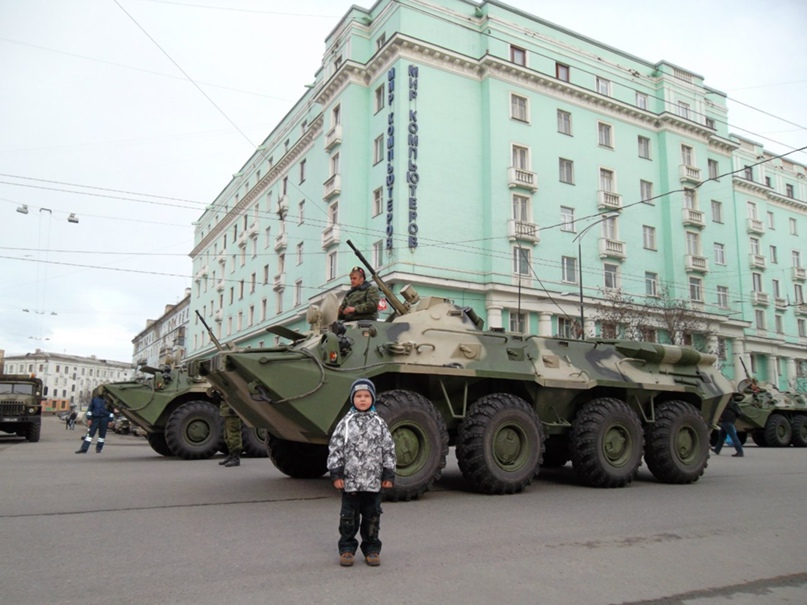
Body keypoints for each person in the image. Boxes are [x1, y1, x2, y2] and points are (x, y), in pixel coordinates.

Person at [327, 378, 396, 567]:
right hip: (350, 482)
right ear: (352, 399)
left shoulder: (380, 424)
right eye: (358, 396)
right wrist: (336, 474)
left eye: (366, 396)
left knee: (372, 517)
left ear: (372, 398)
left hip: (373, 483)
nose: (363, 400)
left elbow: (388, 449)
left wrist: (388, 474)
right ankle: (347, 549)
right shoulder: (345, 423)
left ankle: (372, 549)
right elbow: (336, 448)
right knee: (348, 518)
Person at [218, 402, 243, 468]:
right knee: (227, 435)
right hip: (227, 410)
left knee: (234, 434)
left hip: (233, 410)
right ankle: (231, 455)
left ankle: (236, 458)